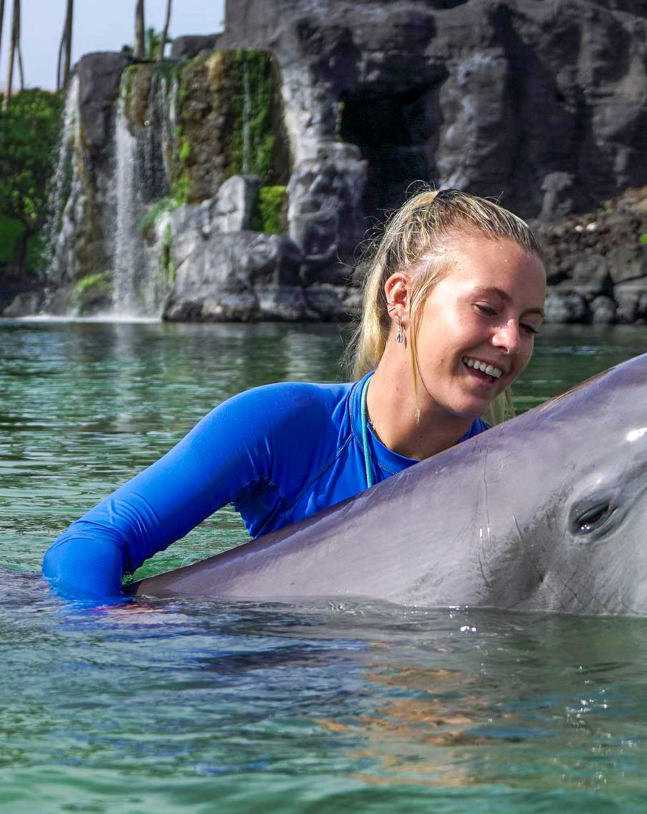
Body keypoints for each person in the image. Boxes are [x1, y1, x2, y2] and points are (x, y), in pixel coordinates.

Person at [42, 188, 547, 602]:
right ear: (402, 298)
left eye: (528, 326)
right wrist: (122, 638)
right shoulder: (288, 424)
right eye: (486, 308)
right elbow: (86, 546)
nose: (509, 341)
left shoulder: (504, 480)